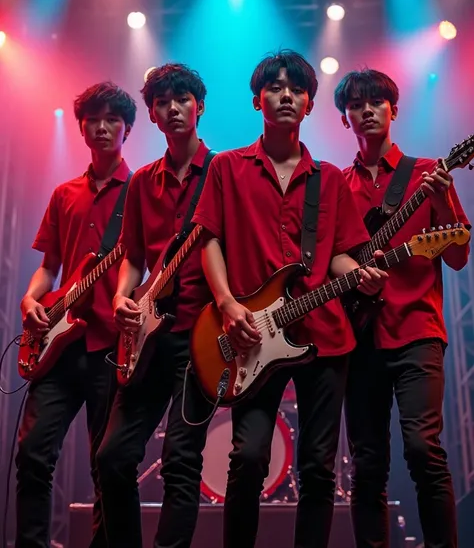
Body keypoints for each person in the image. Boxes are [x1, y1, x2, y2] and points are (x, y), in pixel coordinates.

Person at [191, 50, 387, 548]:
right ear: (258, 100)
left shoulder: (330, 179)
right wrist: (228, 304)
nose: (286, 95)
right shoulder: (227, 169)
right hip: (252, 334)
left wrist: (360, 275)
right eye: (275, 87)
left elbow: (339, 255)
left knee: (319, 470)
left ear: (309, 105)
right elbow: (208, 239)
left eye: (296, 89)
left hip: (324, 337)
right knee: (250, 457)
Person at [334, 68, 470, 548]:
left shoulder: (429, 172)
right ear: (345, 117)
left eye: (376, 102)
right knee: (367, 462)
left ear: (394, 108)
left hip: (417, 329)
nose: (366, 110)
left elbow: (456, 256)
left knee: (422, 449)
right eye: (356, 104)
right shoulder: (336, 185)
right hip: (358, 336)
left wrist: (445, 204)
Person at [96, 64, 215, 548]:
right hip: (147, 339)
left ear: (199, 106)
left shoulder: (224, 173)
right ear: (151, 114)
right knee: (111, 458)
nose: (173, 108)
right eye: (162, 102)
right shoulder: (142, 181)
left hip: (201, 336)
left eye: (182, 98)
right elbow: (133, 257)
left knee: (182, 463)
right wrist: (125, 295)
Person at [16, 82, 137, 548]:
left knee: (106, 465)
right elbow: (49, 268)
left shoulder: (141, 190)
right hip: (58, 347)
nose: (103, 127)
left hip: (110, 345)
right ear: (82, 127)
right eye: (94, 119)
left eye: (113, 119)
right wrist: (31, 301)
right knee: (31, 454)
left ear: (127, 128)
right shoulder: (64, 193)